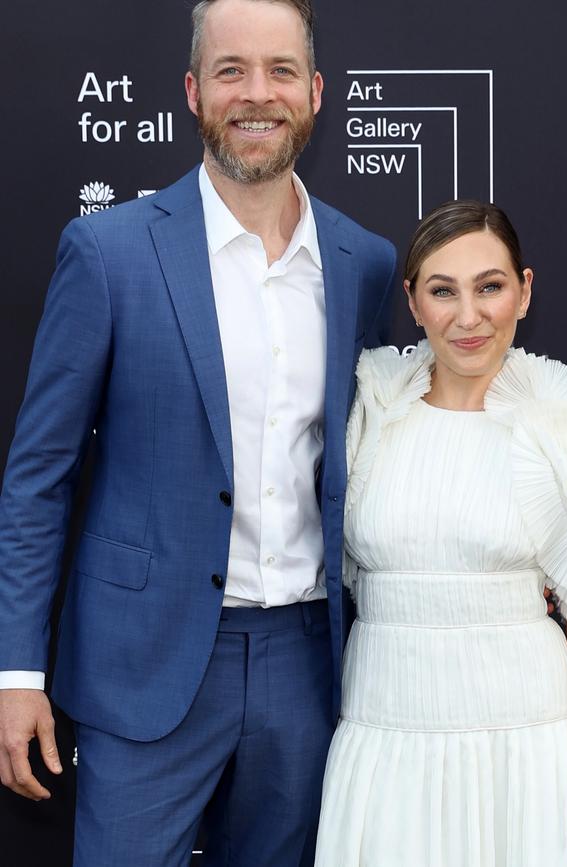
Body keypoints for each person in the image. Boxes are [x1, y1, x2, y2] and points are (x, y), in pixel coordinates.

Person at [0, 1, 396, 864]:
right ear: (192, 91)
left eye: (281, 71)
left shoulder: (364, 262)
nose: (258, 93)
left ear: (317, 92)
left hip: (307, 663)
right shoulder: (108, 253)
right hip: (144, 662)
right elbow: (39, 478)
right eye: (231, 71)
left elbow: (394, 442)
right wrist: (17, 673)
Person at [314, 199, 567, 867]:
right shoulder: (368, 411)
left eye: (489, 286)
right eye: (443, 291)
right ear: (412, 302)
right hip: (385, 747)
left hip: (524, 758)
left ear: (523, 291)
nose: (469, 316)